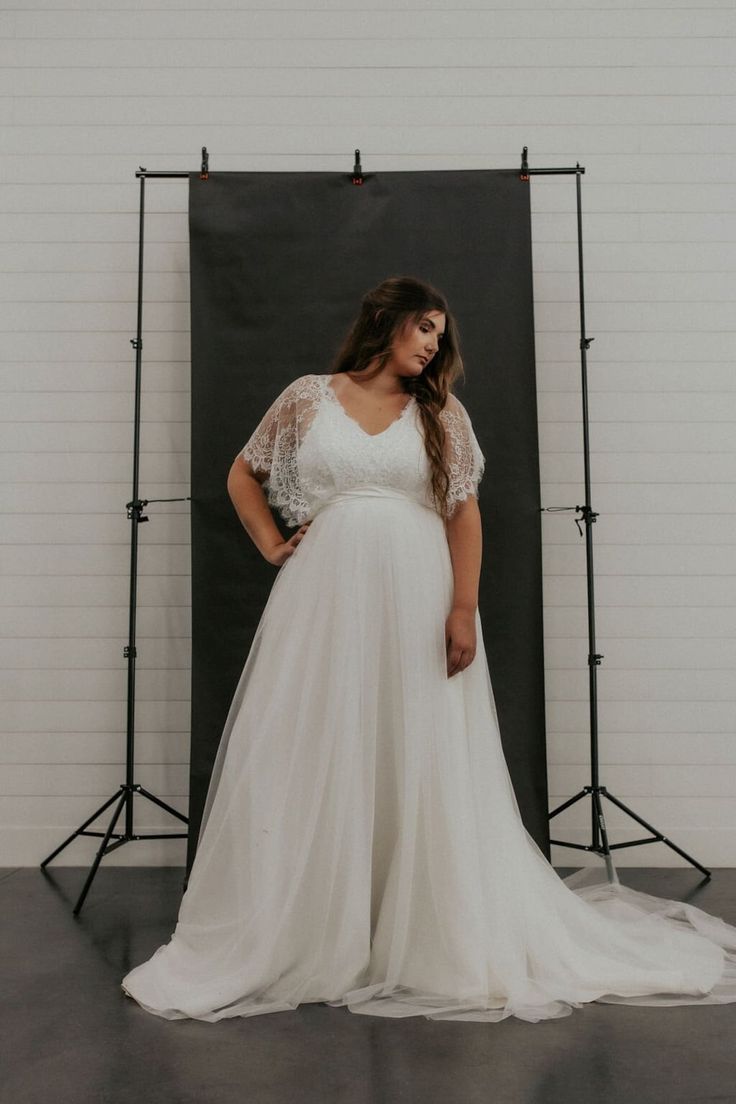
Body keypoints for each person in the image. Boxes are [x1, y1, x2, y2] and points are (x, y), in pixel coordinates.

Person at [122, 275, 736, 1023]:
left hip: (416, 594)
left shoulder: (440, 413)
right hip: (323, 600)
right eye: (426, 329)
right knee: (320, 744)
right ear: (388, 322)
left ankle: (420, 930)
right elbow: (241, 474)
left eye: (440, 336)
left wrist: (463, 608)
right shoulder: (309, 396)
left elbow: (464, 516)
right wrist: (273, 545)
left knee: (417, 743)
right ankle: (318, 926)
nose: (434, 345)